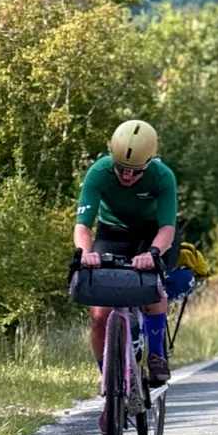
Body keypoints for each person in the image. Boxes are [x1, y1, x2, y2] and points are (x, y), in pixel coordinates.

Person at [73, 119, 177, 391]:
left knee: (154, 291)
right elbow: (83, 226)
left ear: (149, 163)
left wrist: (153, 253)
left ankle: (156, 356)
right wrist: (85, 253)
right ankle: (105, 375)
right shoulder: (99, 172)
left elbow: (168, 227)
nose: (128, 176)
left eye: (136, 171)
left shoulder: (163, 176)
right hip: (113, 234)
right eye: (122, 169)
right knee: (98, 315)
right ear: (112, 159)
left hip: (152, 235)